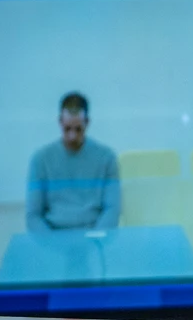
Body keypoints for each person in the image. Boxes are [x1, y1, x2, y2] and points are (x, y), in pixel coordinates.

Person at [24, 92, 121, 233]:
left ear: (87, 123)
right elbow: (33, 215)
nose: (72, 136)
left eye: (78, 129)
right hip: (53, 236)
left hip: (93, 235)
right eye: (67, 129)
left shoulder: (107, 158)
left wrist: (96, 238)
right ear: (60, 122)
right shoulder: (40, 160)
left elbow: (112, 210)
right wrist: (50, 241)